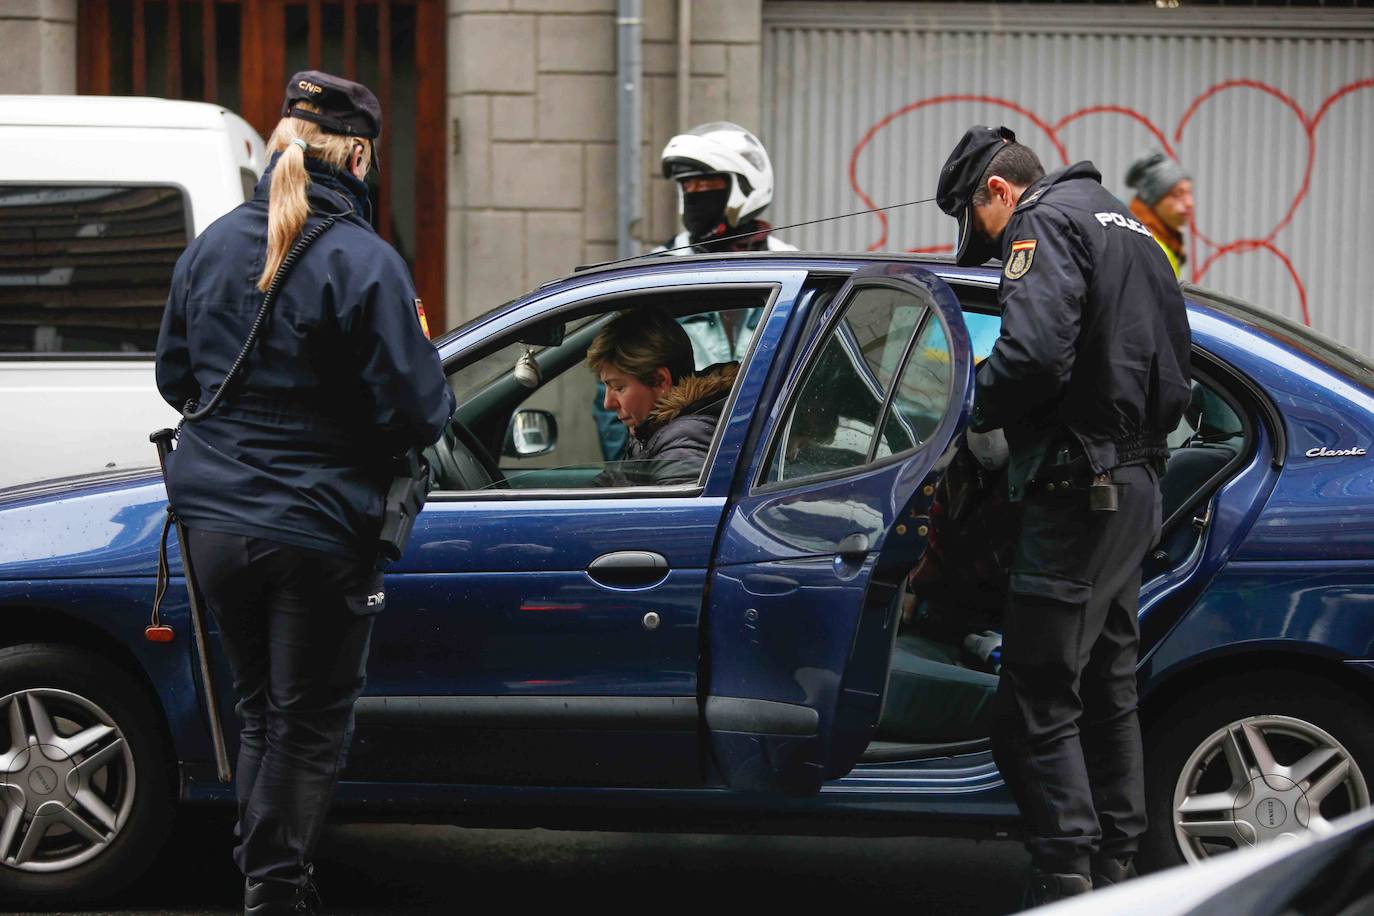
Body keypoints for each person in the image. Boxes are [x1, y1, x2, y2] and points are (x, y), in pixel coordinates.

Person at [155, 71, 454, 916]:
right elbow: (419, 410)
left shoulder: (211, 245)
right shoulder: (364, 261)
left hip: (214, 524)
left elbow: (175, 378)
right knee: (307, 722)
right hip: (320, 529)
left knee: (264, 711)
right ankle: (276, 890)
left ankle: (267, 879)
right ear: (357, 154)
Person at [935, 126, 1191, 906]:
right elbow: (1174, 361)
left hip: (1078, 491)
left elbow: (1036, 354)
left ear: (1000, 193)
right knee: (1107, 686)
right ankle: (1115, 862)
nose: (985, 238)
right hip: (1133, 485)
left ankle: (1067, 876)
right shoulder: (1125, 224)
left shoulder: (1041, 224)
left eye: (977, 221)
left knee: (1036, 699)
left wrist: (971, 412)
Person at [588, 307, 737, 487]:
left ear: (660, 381)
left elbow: (679, 514)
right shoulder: (650, 430)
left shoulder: (682, 445)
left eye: (618, 388)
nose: (608, 404)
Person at [1124, 150, 1194, 278]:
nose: (1189, 203)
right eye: (1177, 194)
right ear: (1153, 199)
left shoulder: (1167, 240)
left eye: (1189, 193)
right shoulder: (1144, 246)